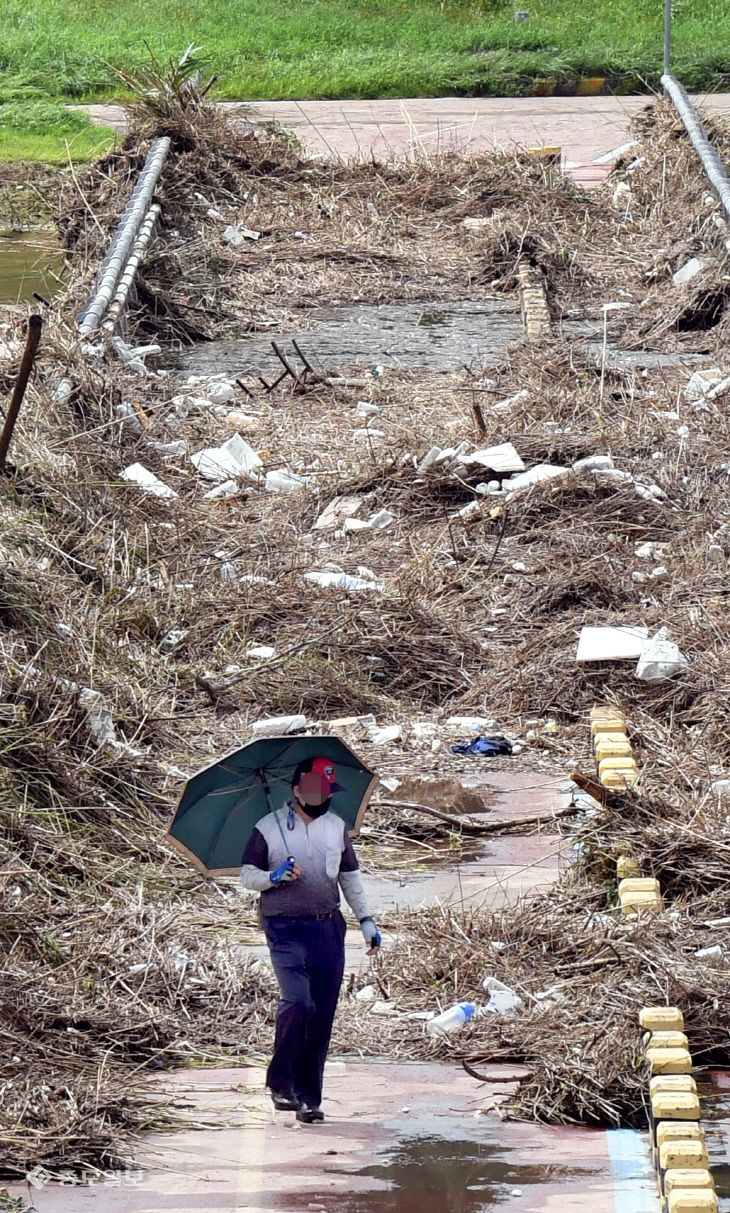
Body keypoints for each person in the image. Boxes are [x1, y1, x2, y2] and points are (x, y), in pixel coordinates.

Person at [240, 755, 381, 1124]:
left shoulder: (337, 828)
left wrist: (365, 920)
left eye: (328, 790)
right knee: (298, 1003)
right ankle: (280, 1081)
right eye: (315, 790)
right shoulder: (268, 828)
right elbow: (247, 875)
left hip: (327, 927)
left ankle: (308, 1099)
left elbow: (349, 877)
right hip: (283, 927)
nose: (321, 797)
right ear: (297, 789)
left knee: (321, 1015)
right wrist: (274, 875)